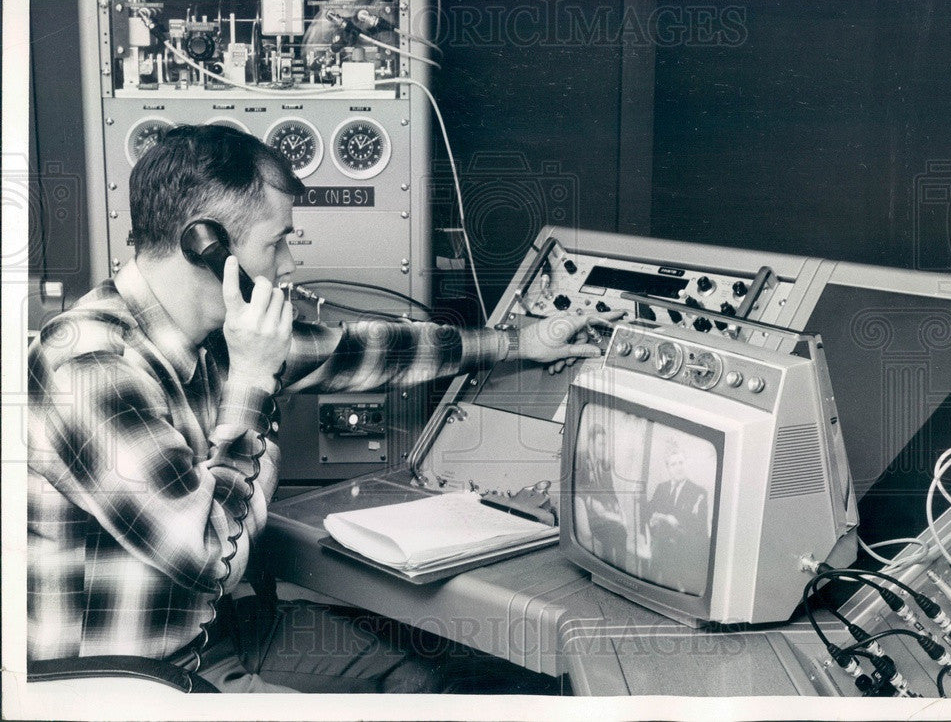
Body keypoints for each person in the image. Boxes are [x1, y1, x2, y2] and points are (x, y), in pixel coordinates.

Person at [26, 124, 621, 693]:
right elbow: (207, 558)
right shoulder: (90, 365)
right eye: (276, 241)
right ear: (206, 246)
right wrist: (253, 381)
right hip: (136, 680)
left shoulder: (213, 334)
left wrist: (517, 342)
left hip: (219, 634)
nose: (288, 266)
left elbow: (357, 349)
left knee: (429, 675)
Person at [639, 443, 710, 594]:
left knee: (668, 571)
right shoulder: (661, 488)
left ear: (686, 464)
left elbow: (699, 528)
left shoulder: (698, 492)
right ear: (668, 469)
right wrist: (652, 520)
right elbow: (648, 511)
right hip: (661, 544)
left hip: (683, 548)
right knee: (655, 564)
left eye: (681, 462)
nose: (678, 467)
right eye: (673, 464)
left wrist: (674, 522)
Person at [573, 422, 627, 567]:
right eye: (601, 444)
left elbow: (610, 490)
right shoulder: (579, 458)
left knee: (621, 531)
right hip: (587, 510)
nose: (604, 448)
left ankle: (619, 568)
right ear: (591, 443)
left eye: (605, 444)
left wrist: (618, 506)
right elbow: (573, 486)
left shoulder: (605, 465)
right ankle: (607, 567)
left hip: (602, 513)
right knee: (612, 533)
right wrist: (590, 501)